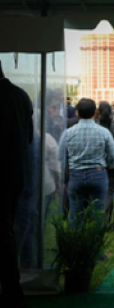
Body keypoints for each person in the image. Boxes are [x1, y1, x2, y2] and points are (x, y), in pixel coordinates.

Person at [0, 61, 33, 307]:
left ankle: (11, 290)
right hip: (15, 173)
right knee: (6, 230)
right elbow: (29, 137)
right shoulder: (21, 96)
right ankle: (12, 288)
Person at [59, 98, 114, 226]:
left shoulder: (68, 133)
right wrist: (104, 163)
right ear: (94, 113)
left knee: (75, 213)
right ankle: (95, 241)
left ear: (77, 113)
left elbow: (61, 156)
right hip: (98, 173)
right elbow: (113, 156)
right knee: (98, 213)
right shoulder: (104, 132)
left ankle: (75, 242)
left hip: (76, 175)